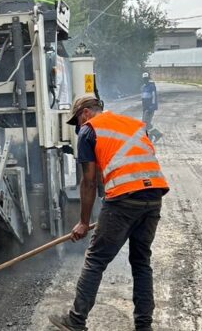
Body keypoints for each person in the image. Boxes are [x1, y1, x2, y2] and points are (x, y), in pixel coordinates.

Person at [49, 95, 169, 331]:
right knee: (141, 262)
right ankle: (144, 326)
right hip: (154, 196)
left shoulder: (89, 130)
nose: (79, 128)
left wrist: (83, 222)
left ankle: (76, 320)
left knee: (95, 259)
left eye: (78, 122)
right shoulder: (132, 124)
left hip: (124, 199)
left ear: (84, 113)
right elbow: (127, 164)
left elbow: (89, 182)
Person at [141, 72, 162, 143]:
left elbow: (154, 97)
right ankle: (152, 136)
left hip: (150, 108)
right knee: (145, 124)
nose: (145, 80)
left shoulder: (152, 86)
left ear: (148, 78)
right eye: (144, 79)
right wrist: (144, 107)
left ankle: (155, 135)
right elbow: (143, 98)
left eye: (146, 79)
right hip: (145, 108)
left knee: (145, 123)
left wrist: (152, 106)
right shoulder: (143, 87)